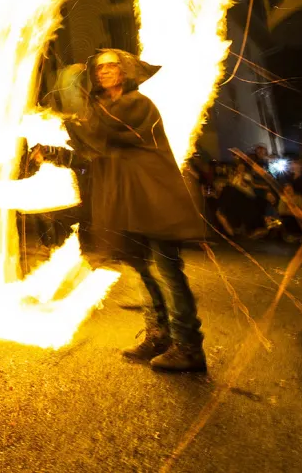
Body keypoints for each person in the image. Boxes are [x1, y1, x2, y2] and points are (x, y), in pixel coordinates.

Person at [33, 49, 206, 373]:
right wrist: (54, 153)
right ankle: (159, 336)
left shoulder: (137, 104)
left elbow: (101, 135)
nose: (104, 72)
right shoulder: (101, 112)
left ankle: (188, 346)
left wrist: (71, 100)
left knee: (168, 273)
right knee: (144, 270)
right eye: (99, 69)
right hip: (129, 203)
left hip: (155, 200)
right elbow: (92, 154)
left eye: (111, 67)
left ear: (125, 71)